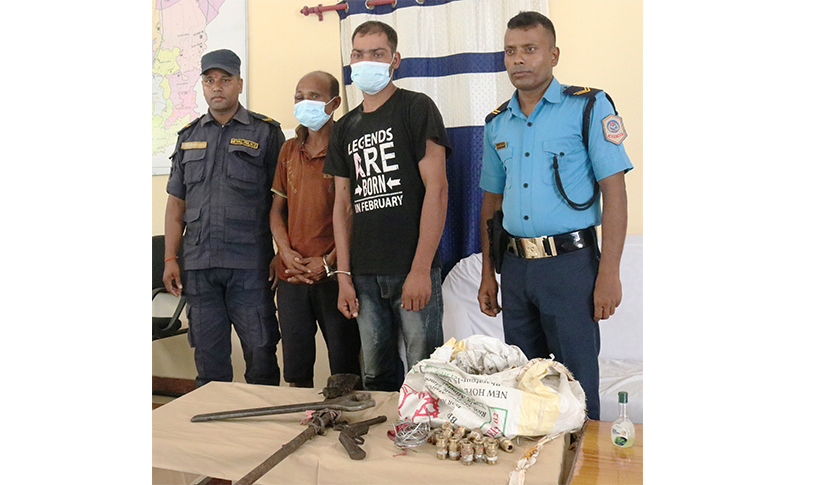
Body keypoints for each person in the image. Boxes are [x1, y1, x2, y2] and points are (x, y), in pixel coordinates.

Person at [477, 12, 633, 420]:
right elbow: (491, 204)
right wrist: (488, 273)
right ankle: (536, 458)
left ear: (554, 54)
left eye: (530, 49)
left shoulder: (588, 107)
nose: (518, 59)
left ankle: (583, 459)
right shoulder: (497, 123)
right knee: (524, 383)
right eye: (510, 51)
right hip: (515, 270)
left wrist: (609, 273)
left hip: (570, 268)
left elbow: (615, 193)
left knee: (576, 383)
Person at [323, 21, 451, 392]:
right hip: (363, 275)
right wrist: (343, 276)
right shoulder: (345, 126)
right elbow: (342, 206)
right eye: (359, 54)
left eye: (377, 54)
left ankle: (424, 432)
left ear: (395, 60)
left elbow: (438, 189)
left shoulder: (416, 107)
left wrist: (421, 269)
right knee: (375, 376)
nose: (366, 62)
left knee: (426, 375)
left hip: (411, 268)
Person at [162, 49, 284, 387]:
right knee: (209, 359)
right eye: (209, 80)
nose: (217, 87)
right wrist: (170, 258)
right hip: (199, 266)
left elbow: (282, 201)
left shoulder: (265, 133)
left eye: (225, 79)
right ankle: (213, 422)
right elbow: (176, 205)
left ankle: (264, 420)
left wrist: (280, 253)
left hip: (250, 265)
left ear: (239, 84)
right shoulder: (188, 137)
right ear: (202, 84)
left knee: (260, 353)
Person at [269, 71, 362, 388]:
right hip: (293, 277)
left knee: (345, 365)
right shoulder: (288, 150)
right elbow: (276, 211)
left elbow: (355, 214)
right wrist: (285, 252)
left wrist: (329, 261)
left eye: (314, 96)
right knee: (296, 370)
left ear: (334, 103)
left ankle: (343, 414)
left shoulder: (347, 147)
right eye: (299, 97)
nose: (305, 102)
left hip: (336, 277)